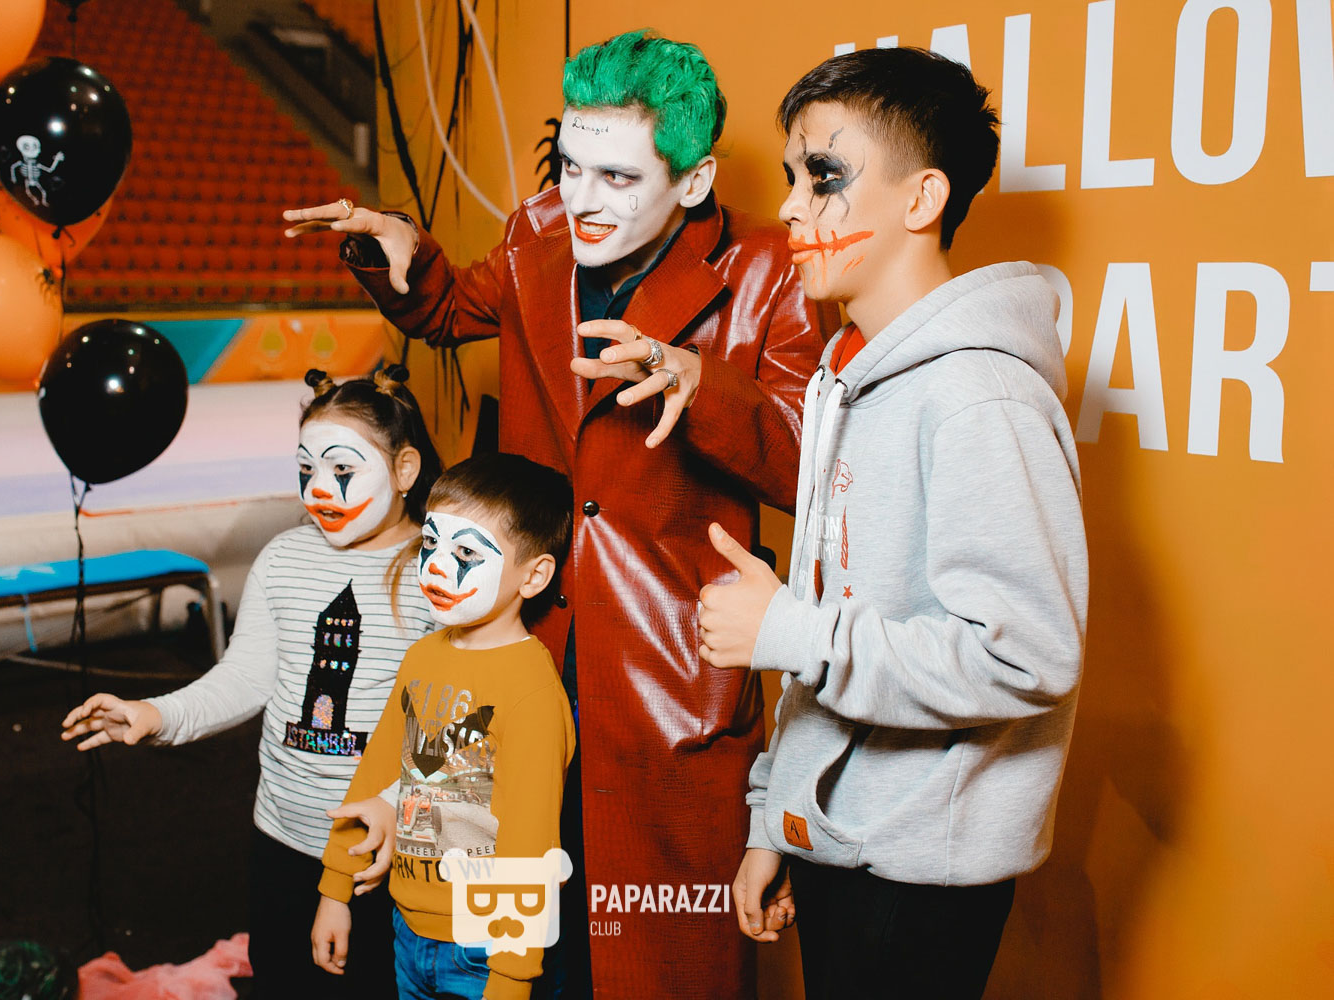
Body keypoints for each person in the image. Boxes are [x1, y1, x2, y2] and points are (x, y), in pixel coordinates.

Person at [285, 30, 824, 998]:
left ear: (694, 182)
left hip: (668, 679)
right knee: (506, 938)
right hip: (521, 639)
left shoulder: (770, 269)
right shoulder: (536, 231)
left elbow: (802, 461)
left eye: (618, 177)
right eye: (572, 166)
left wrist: (696, 383)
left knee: (659, 965)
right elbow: (449, 311)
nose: (581, 198)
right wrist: (399, 251)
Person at [696, 46, 1089, 1000]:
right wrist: (778, 818)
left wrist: (790, 632)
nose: (791, 207)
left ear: (922, 199)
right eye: (792, 177)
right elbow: (838, 608)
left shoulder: (978, 396)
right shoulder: (846, 370)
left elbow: (1025, 655)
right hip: (841, 842)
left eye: (823, 177)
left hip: (921, 875)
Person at [60, 365, 443, 998]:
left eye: (342, 470)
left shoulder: (441, 576)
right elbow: (245, 675)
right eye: (306, 469)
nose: (319, 490)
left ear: (405, 470)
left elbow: (458, 726)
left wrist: (399, 809)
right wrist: (157, 715)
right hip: (283, 837)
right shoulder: (284, 558)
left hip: (389, 853)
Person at [311, 453, 576, 1000]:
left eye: (465, 553)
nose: (433, 566)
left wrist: (512, 977)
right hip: (407, 928)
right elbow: (376, 773)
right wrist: (335, 888)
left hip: (487, 949)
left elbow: (530, 842)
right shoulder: (422, 657)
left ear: (533, 576)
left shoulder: (531, 690)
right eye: (431, 544)